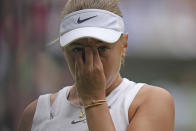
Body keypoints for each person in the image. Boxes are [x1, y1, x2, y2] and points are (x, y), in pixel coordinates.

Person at [18, 0, 175, 131]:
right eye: (77, 49)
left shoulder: (151, 101)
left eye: (102, 48)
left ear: (124, 45)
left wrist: (94, 100)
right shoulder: (36, 113)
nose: (91, 60)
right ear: (63, 50)